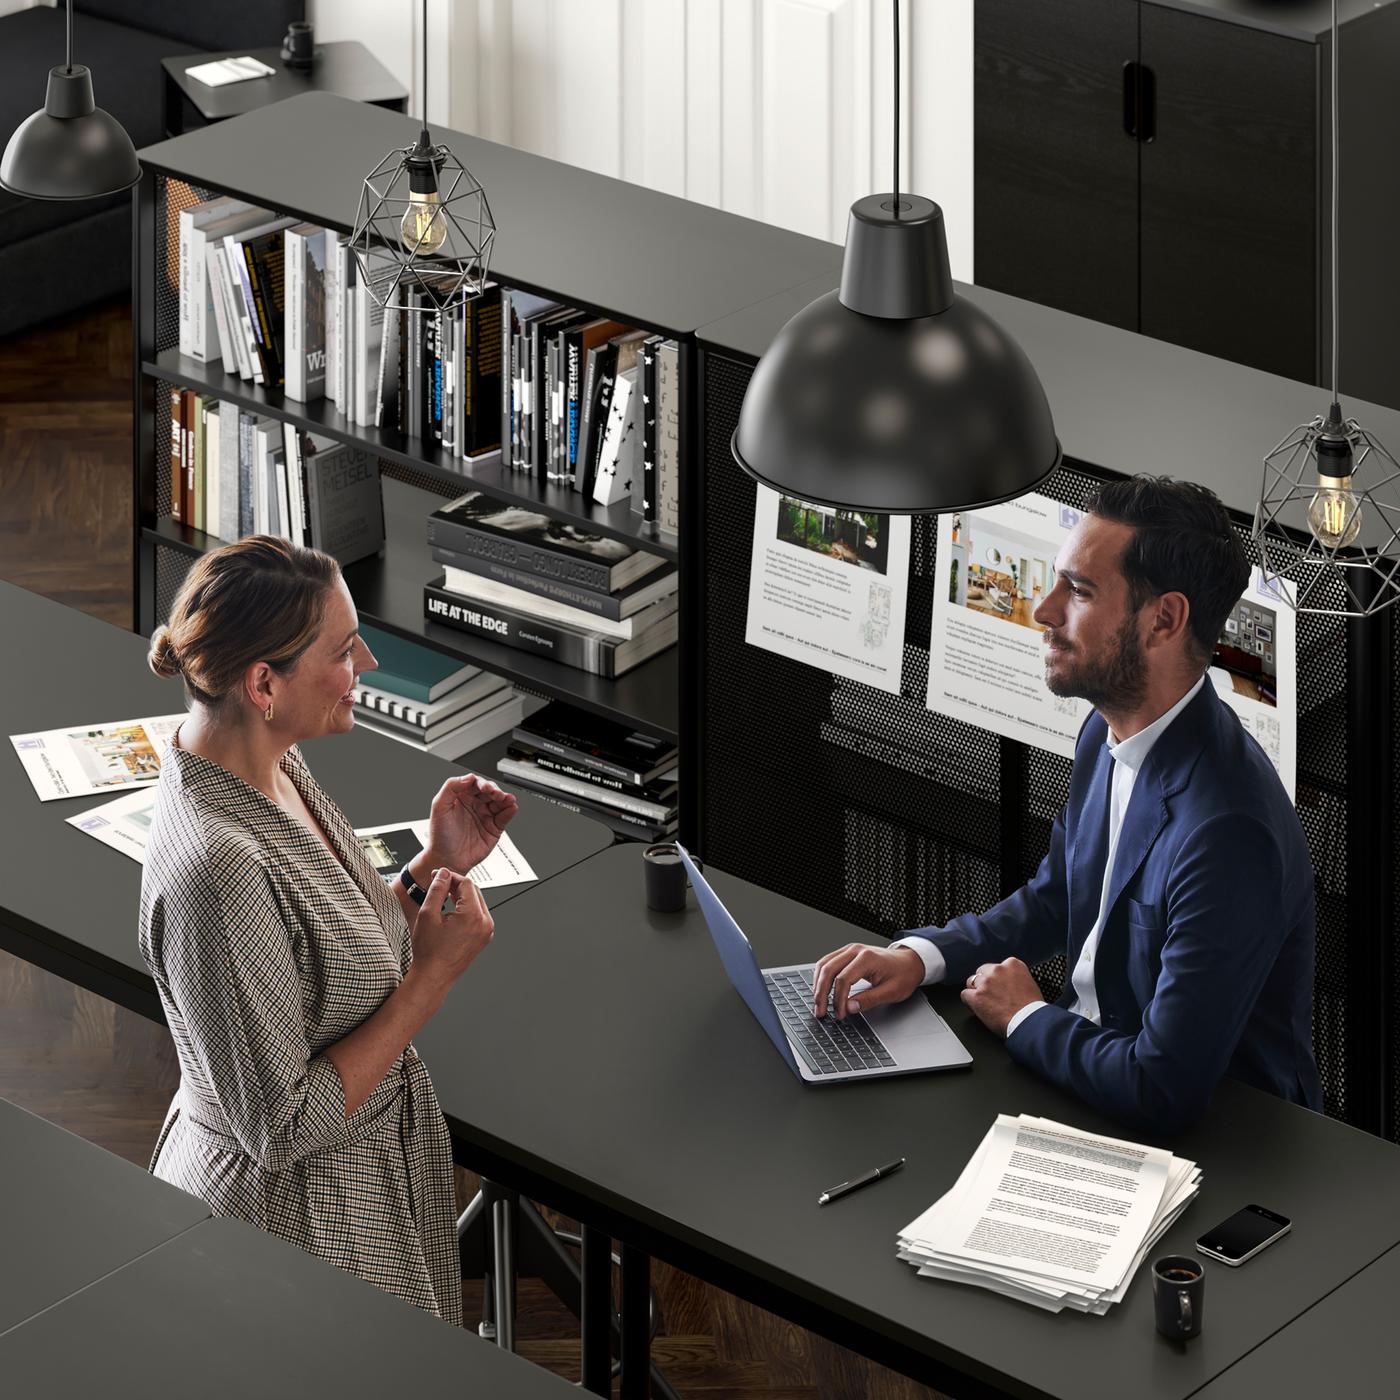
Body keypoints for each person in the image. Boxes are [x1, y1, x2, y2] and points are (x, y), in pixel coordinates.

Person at [813, 477, 1322, 1135]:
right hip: (1084, 1072)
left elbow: (1163, 1085)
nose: (1043, 610)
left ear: (1164, 619)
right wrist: (920, 958)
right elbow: (1057, 898)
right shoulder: (1107, 730)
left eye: (1079, 592)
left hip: (1210, 1141)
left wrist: (1025, 1016)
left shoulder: (1228, 831)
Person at [139, 536, 518, 1326]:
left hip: (350, 1187)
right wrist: (432, 979)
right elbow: (280, 1128)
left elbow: (321, 951)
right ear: (263, 683)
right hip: (294, 1229)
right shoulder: (219, 869)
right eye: (344, 652)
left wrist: (430, 867)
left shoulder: (268, 763)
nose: (368, 666)